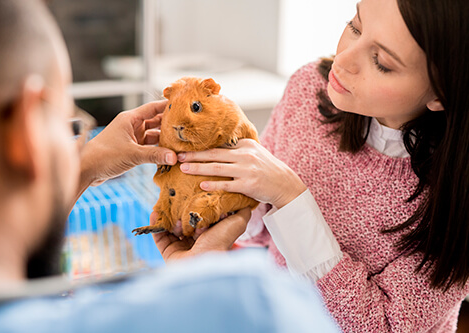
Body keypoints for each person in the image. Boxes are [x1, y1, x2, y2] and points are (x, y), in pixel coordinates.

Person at [0, 0, 340, 332]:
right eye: (69, 123)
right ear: (27, 130)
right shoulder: (250, 305)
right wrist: (199, 275)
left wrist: (86, 168)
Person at [157, 0, 469, 331]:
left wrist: (292, 199)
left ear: (442, 91)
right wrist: (211, 214)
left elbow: (383, 327)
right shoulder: (308, 88)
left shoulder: (456, 195)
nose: (344, 59)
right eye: (355, 26)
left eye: (382, 62)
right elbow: (261, 231)